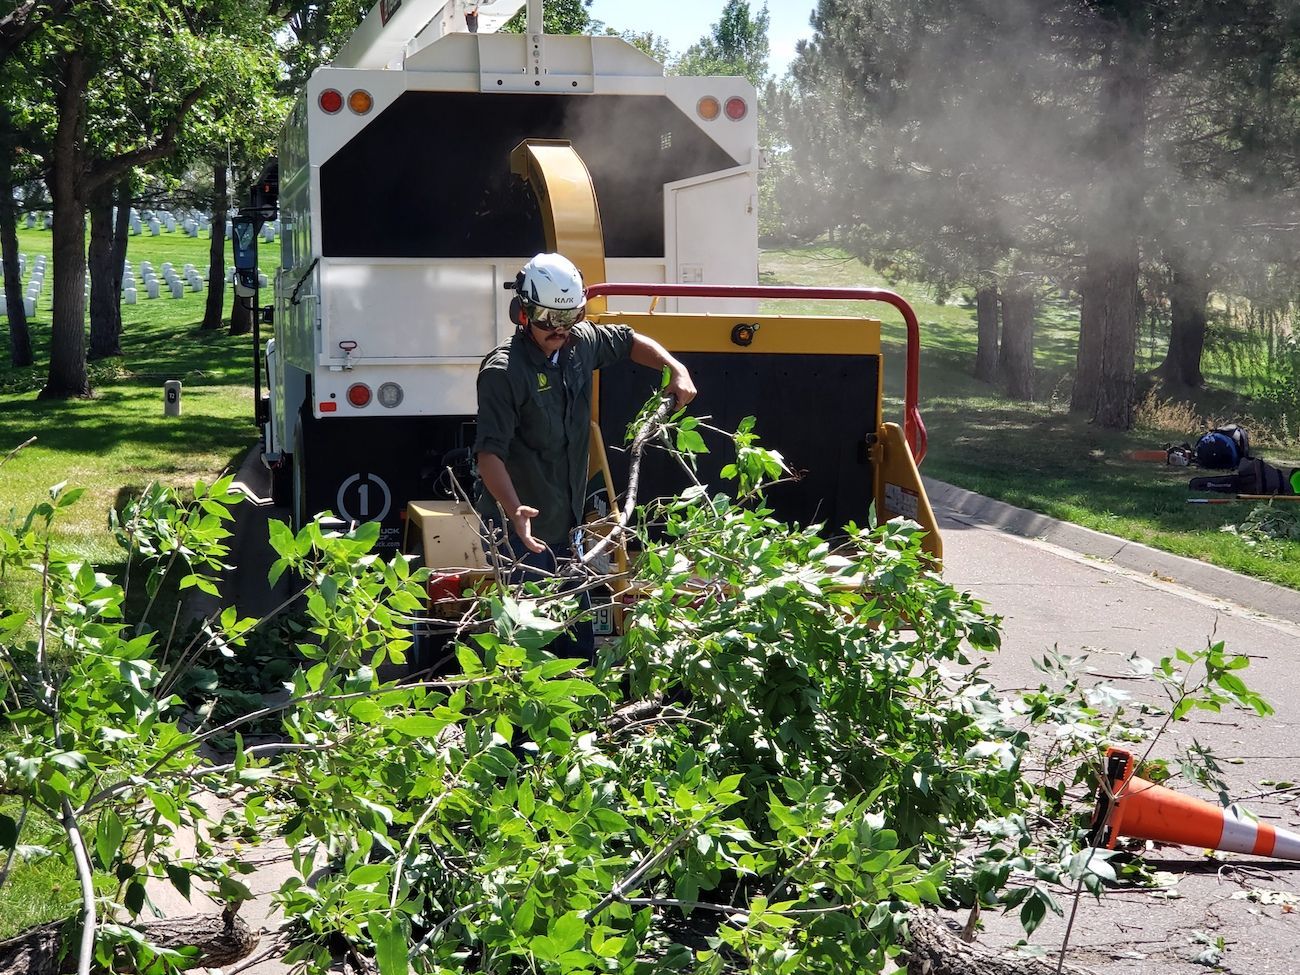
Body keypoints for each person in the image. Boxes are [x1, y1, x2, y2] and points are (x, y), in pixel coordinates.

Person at [474, 253, 696, 654]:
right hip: (521, 536)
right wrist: (515, 511)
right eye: (547, 319)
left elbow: (628, 341)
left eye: (568, 317)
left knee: (574, 645)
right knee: (528, 649)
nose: (558, 329)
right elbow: (490, 454)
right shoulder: (503, 373)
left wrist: (675, 367)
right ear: (522, 312)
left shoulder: (581, 344)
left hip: (569, 527)